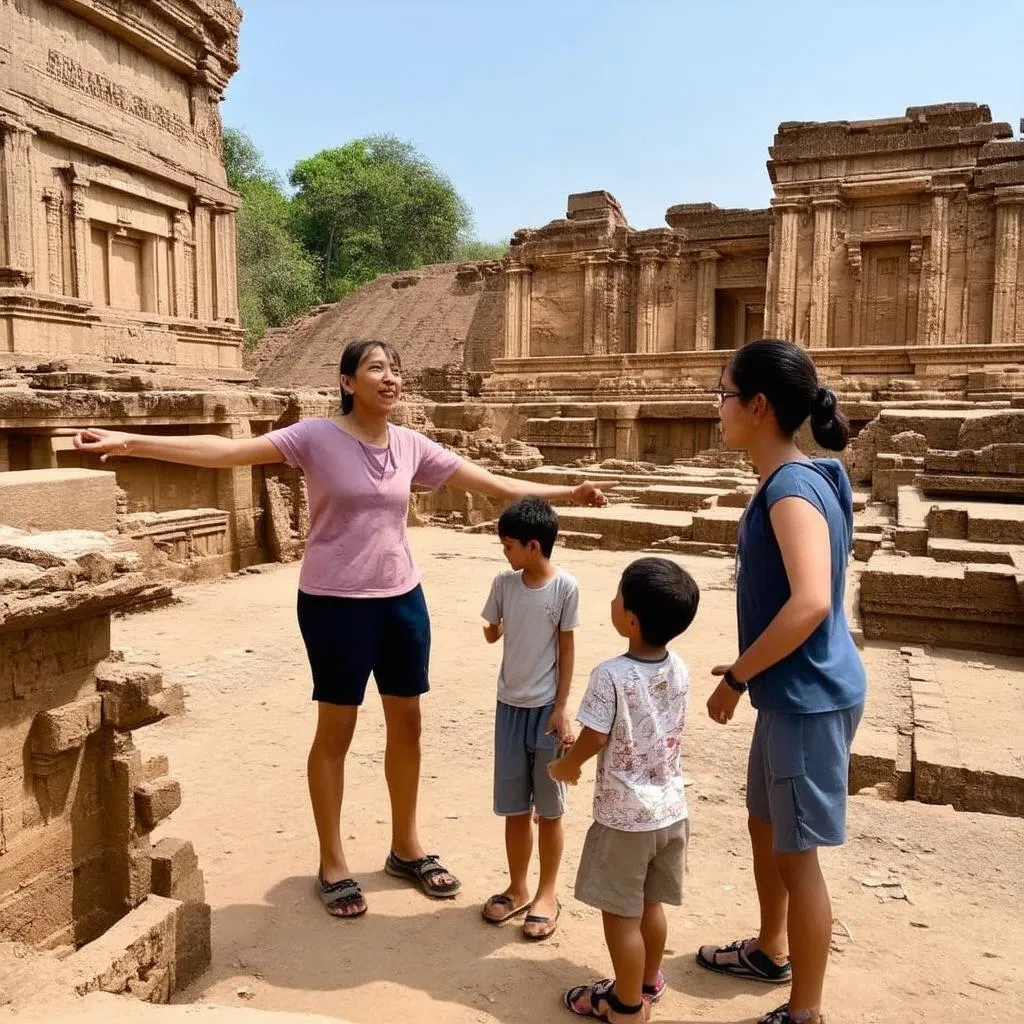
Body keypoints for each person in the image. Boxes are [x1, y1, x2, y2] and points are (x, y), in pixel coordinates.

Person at [72, 337, 611, 921]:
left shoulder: (409, 445)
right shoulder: (315, 437)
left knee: (408, 726)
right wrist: (131, 440)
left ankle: (406, 847)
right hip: (334, 602)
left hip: (402, 601)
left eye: (396, 369)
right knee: (337, 730)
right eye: (377, 368)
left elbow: (489, 484)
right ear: (349, 382)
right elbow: (229, 452)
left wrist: (566, 493)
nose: (391, 377)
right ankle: (332, 859)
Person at [697, 339, 867, 1024]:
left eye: (724, 393)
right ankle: (771, 947)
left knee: (799, 857)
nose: (717, 406)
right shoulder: (807, 475)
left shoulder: (793, 489)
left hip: (806, 697)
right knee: (765, 823)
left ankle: (805, 1012)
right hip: (791, 687)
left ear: (758, 406)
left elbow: (810, 603)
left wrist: (737, 677)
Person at [550, 556, 700, 1023]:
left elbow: (594, 737)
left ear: (630, 619)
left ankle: (627, 1004)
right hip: (670, 811)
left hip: (625, 818)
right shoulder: (679, 668)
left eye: (618, 597)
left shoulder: (611, 674)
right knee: (652, 903)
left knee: (620, 914)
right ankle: (650, 979)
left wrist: (565, 767)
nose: (612, 602)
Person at [480, 496, 578, 941]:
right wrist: (495, 625)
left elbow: (566, 648)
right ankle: (518, 887)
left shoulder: (564, 589)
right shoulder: (504, 583)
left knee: (550, 810)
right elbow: (490, 632)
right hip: (509, 707)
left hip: (545, 712)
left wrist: (562, 708)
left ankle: (547, 893)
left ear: (533, 546)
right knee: (515, 807)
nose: (505, 552)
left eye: (509, 545)